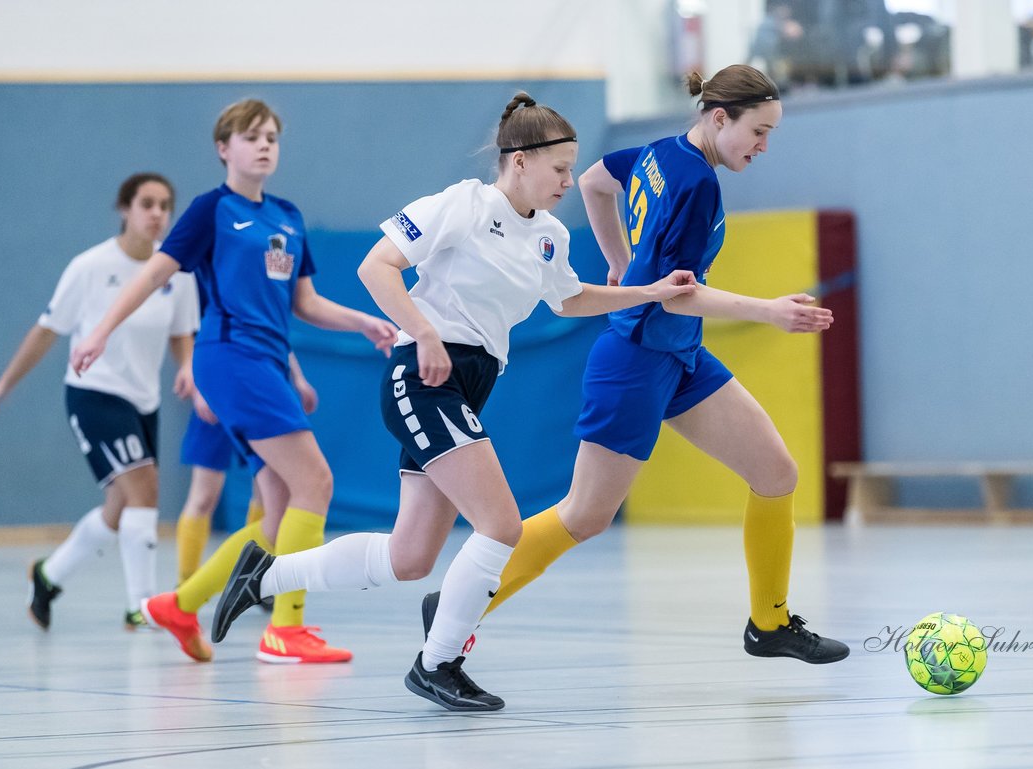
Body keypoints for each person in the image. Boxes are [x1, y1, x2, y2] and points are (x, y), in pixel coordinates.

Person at [207, 92, 698, 711]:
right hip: (425, 375)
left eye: (574, 170)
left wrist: (648, 291)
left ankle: (264, 575)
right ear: (519, 161)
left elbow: (569, 301)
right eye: (559, 169)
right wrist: (425, 332)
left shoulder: (548, 235)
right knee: (502, 525)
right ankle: (437, 663)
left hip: (471, 381)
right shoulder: (462, 204)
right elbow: (376, 267)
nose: (569, 182)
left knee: (410, 556)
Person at [433, 64, 850, 668]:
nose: (763, 146)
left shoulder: (660, 153)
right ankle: (456, 606)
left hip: (680, 354)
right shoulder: (695, 183)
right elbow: (678, 291)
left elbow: (598, 183)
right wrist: (768, 311)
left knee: (776, 472)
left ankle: (770, 623)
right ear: (718, 118)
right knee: (584, 515)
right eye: (759, 132)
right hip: (637, 358)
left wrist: (622, 265)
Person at [70, 99, 399, 664]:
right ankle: (286, 629)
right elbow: (154, 274)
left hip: (267, 362)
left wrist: (362, 319)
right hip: (229, 358)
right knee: (314, 483)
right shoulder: (210, 211)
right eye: (251, 136)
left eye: (272, 136)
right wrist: (100, 329)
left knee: (275, 512)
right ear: (224, 148)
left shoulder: (288, 216)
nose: (265, 144)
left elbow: (304, 303)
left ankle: (182, 603)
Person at [0, 173, 199, 630]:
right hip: (94, 393)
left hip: (144, 401)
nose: (157, 213)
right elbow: (46, 331)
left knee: (120, 509)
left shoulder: (176, 274)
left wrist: (187, 366)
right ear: (125, 209)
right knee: (145, 491)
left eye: (165, 204)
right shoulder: (89, 267)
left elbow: (183, 334)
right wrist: (3, 386)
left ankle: (49, 574)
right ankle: (140, 606)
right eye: (147, 203)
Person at [175, 354, 315, 586]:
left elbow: (276, 331)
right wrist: (200, 386)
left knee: (270, 495)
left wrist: (298, 378)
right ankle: (185, 582)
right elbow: (193, 339)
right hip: (219, 392)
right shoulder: (209, 321)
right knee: (203, 496)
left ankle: (256, 577)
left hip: (261, 397)